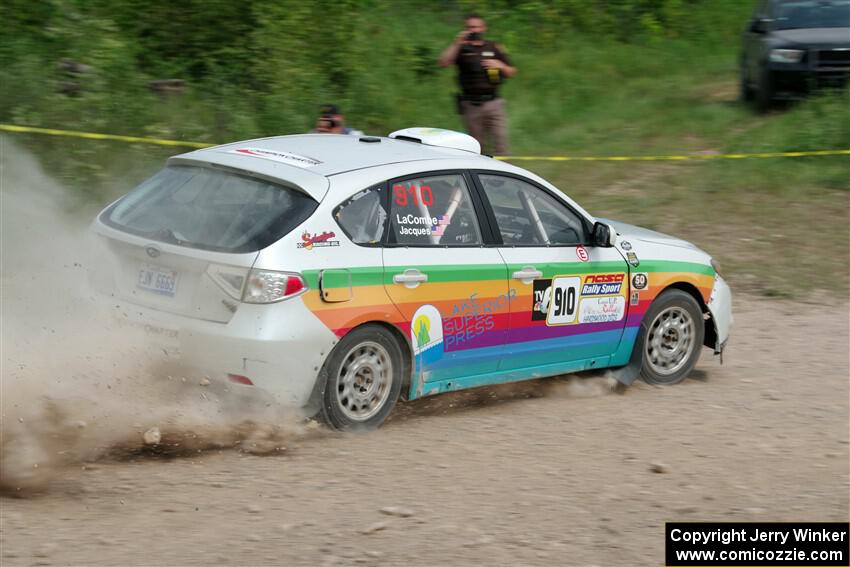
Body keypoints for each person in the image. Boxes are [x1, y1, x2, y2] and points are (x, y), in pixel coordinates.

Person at [439, 13, 516, 155]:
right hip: (471, 105)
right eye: (469, 27)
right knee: (477, 148)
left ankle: (505, 175)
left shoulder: (493, 47)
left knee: (501, 144)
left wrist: (499, 65)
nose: (473, 30)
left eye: (476, 27)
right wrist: (457, 43)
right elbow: (443, 63)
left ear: (483, 28)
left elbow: (512, 72)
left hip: (494, 103)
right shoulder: (461, 49)